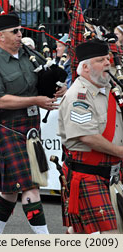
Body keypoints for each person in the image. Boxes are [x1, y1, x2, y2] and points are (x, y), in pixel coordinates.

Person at [0, 14, 66, 234]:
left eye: (21, 31)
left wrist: (57, 88)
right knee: (30, 186)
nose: (21, 35)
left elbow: (44, 81)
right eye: (15, 32)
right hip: (9, 127)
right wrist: (36, 100)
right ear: (0, 36)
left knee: (10, 191)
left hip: (31, 127)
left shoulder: (31, 55)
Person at [58, 39, 123, 234]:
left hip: (111, 173)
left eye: (107, 58)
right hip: (89, 174)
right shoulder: (79, 96)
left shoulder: (109, 90)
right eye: (100, 60)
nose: (107, 63)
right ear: (85, 67)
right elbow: (87, 136)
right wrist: (120, 151)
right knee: (112, 235)